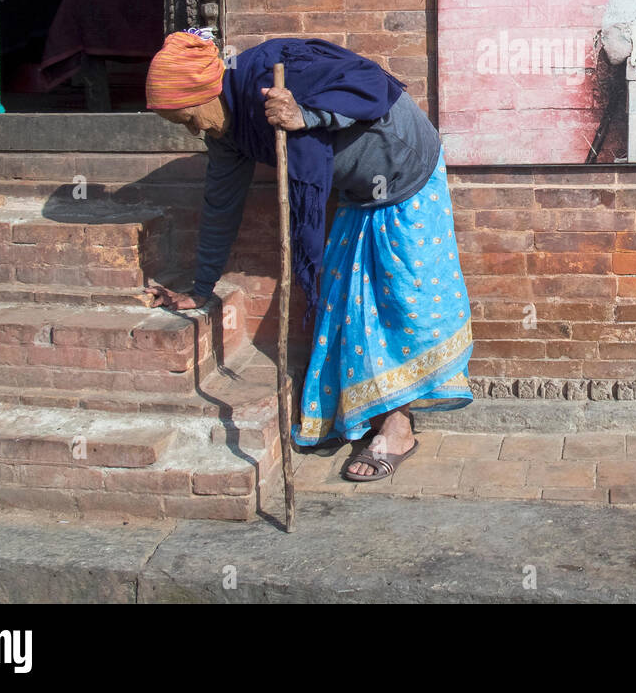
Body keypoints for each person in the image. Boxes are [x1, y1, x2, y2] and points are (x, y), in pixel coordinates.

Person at [142, 29, 472, 482]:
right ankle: (367, 417)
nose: (195, 130)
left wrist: (306, 112)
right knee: (353, 309)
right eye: (181, 125)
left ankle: (399, 429)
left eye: (190, 117)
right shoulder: (226, 131)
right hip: (360, 193)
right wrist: (201, 288)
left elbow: (372, 87)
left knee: (399, 302)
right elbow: (221, 204)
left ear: (209, 91)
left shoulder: (272, 75)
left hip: (404, 172)